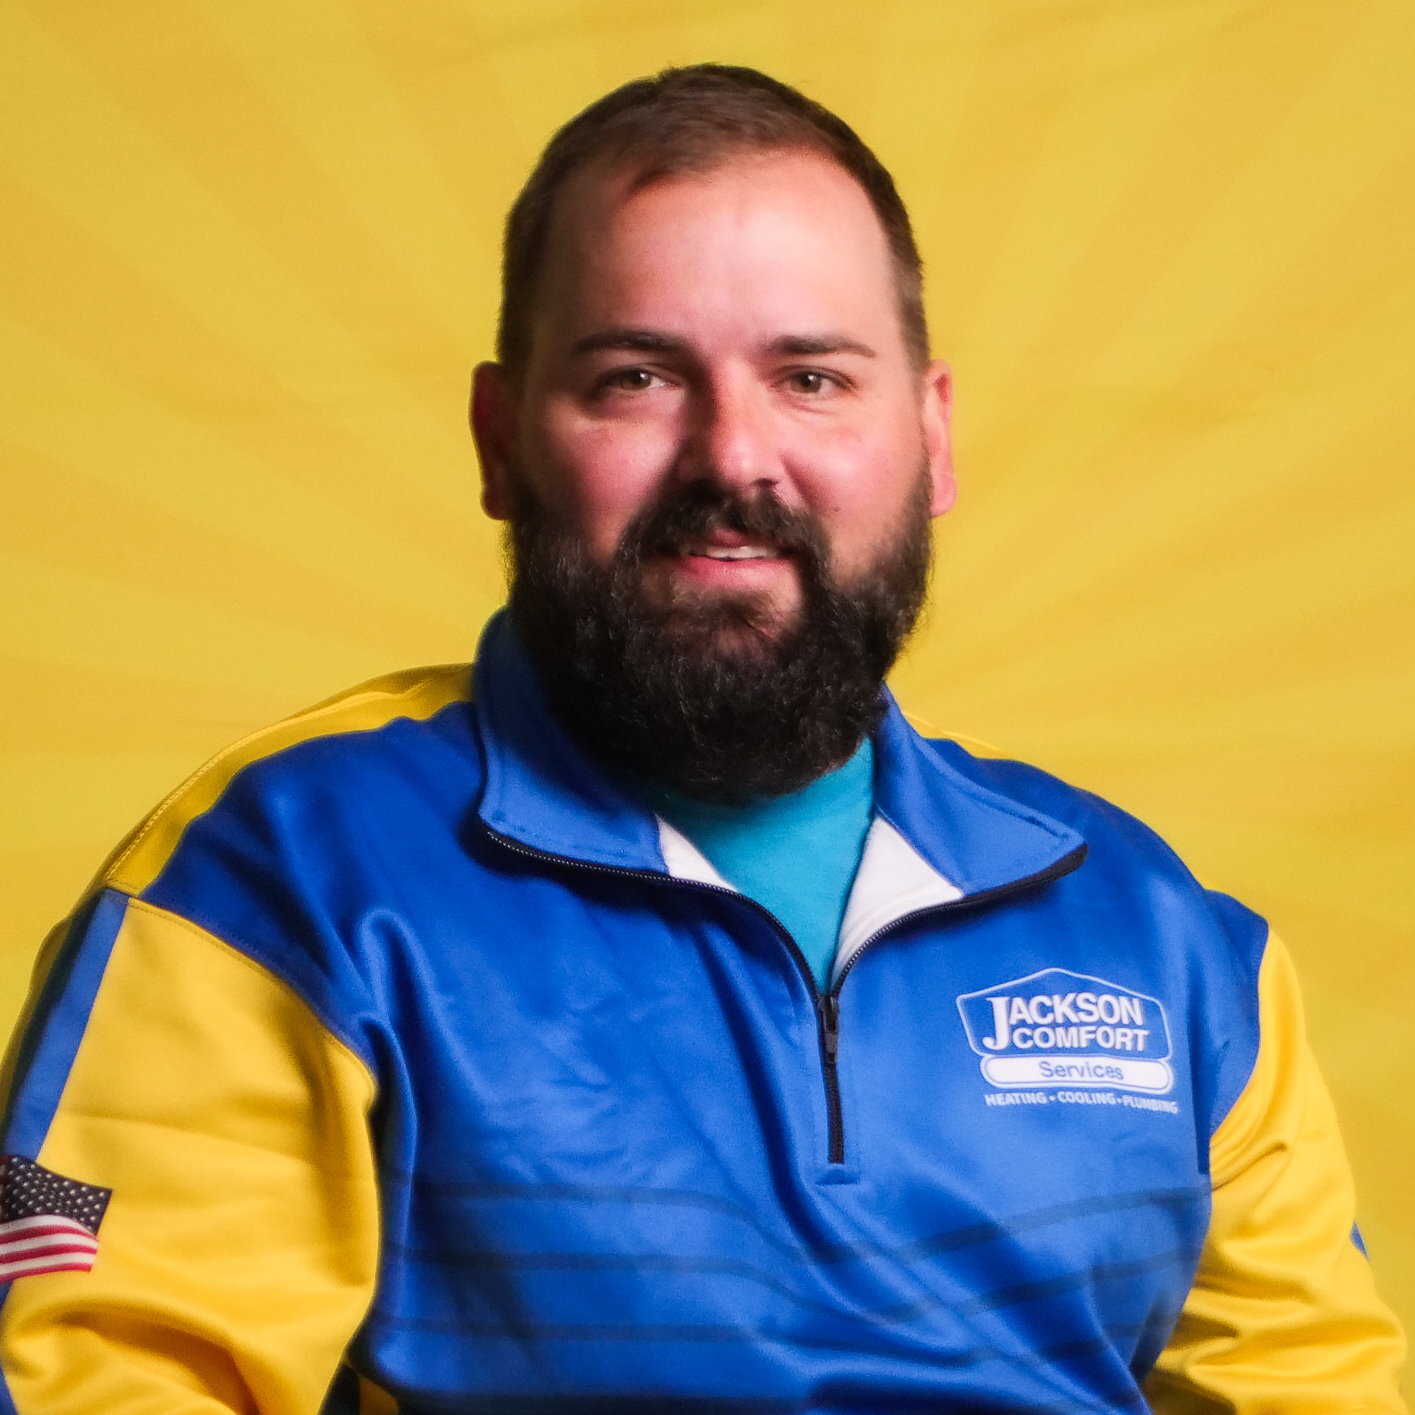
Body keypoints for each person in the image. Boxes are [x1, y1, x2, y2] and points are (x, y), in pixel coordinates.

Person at [0, 63, 1404, 1414]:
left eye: (812, 377)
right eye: (636, 379)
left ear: (931, 437)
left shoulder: (1156, 933)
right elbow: (96, 1376)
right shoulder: (279, 883)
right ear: (500, 441)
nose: (733, 458)